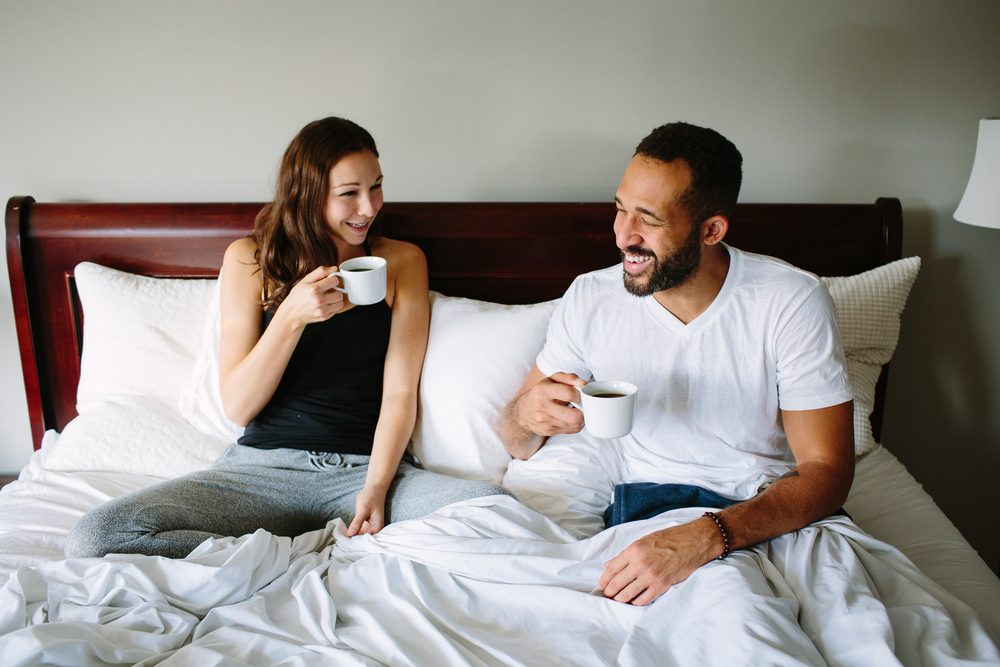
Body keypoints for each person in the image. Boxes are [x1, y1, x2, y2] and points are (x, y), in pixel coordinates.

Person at [66, 117, 507, 559]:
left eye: (376, 187)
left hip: (366, 472)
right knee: (98, 536)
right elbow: (239, 406)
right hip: (263, 472)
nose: (369, 208)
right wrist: (290, 317)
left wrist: (375, 487)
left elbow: (399, 392)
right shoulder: (249, 260)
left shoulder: (401, 260)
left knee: (498, 513)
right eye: (349, 193)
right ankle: (291, 559)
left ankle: (266, 556)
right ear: (308, 195)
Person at [500, 121, 855, 606]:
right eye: (620, 209)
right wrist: (525, 415)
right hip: (629, 503)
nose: (624, 236)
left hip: (750, 507)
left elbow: (828, 470)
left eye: (649, 219)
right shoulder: (590, 295)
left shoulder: (789, 300)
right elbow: (517, 444)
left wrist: (708, 536)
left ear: (711, 230)